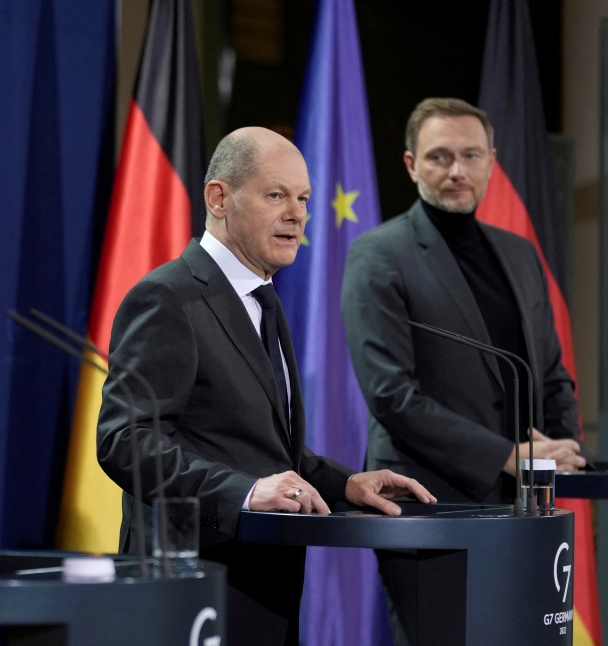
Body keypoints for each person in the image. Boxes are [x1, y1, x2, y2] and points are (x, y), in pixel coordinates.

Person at [97, 126, 436, 646]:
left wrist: (345, 485)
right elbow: (125, 441)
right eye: (276, 195)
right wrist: (248, 493)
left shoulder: (263, 301)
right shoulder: (169, 298)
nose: (297, 214)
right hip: (192, 588)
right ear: (219, 197)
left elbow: (263, 449)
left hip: (264, 587)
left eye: (303, 199)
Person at [340, 97, 586, 644]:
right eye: (440, 157)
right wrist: (506, 456)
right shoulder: (378, 255)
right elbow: (391, 396)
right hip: (430, 505)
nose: (457, 171)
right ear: (411, 164)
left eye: (471, 156)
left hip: (527, 508)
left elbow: (548, 369)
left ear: (492, 161)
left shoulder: (519, 253)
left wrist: (564, 446)